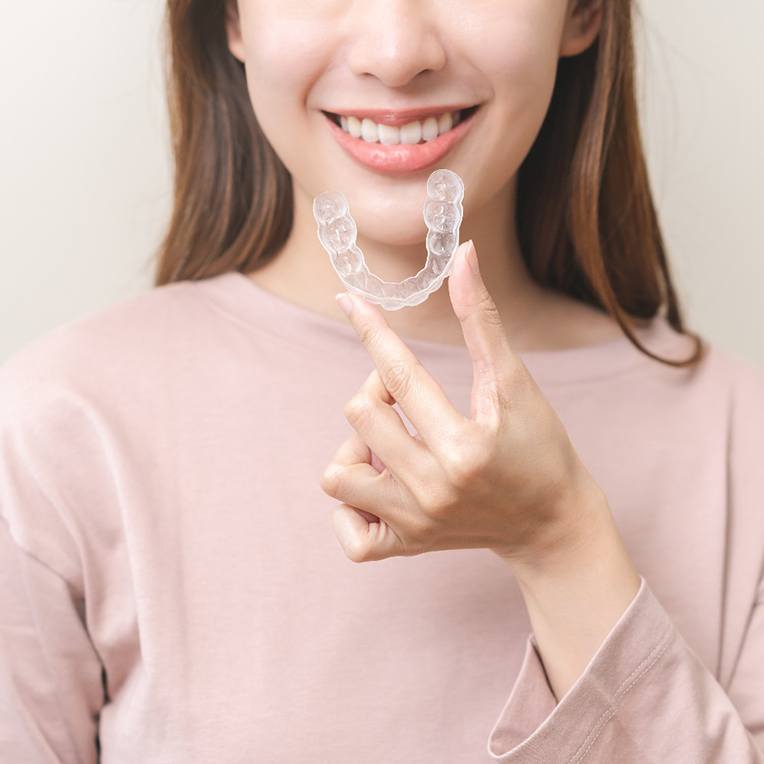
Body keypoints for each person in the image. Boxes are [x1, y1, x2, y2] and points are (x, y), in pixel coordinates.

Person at [1, 0, 762, 761]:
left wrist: (561, 542)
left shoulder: (742, 443)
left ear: (585, 11)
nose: (396, 53)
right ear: (231, 17)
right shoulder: (54, 432)